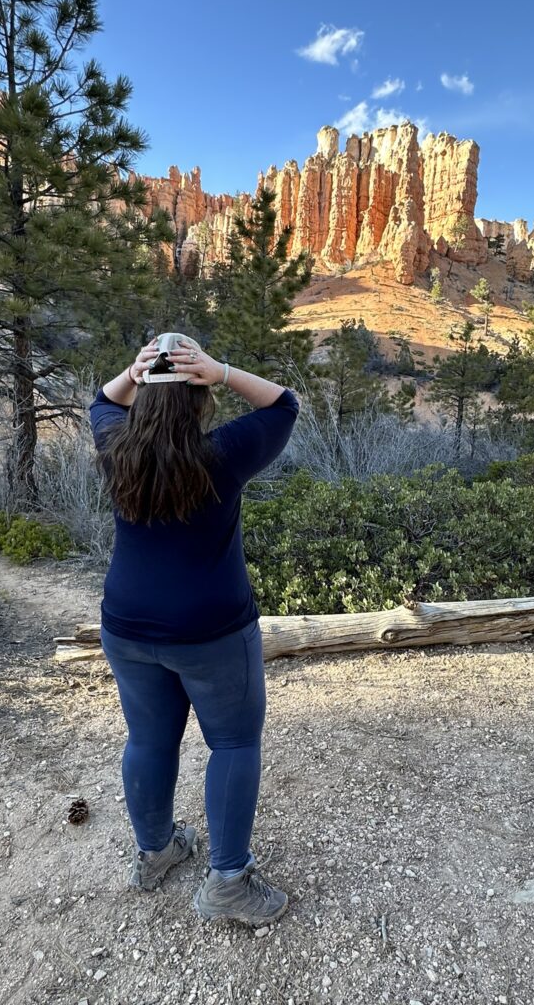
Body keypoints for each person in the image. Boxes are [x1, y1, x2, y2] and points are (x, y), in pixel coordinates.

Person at [88, 333, 300, 926]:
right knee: (233, 743)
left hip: (126, 625)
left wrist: (134, 372)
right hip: (211, 629)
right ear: (198, 395)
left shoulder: (115, 445)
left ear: (143, 397)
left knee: (149, 740)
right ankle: (228, 883)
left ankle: (156, 853)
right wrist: (224, 370)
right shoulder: (224, 453)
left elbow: (98, 401)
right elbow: (285, 404)